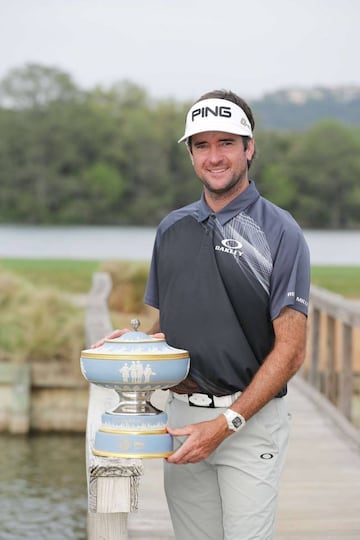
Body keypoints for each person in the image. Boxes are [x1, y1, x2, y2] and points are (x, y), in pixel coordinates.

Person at [94, 89, 310, 540]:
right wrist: (136, 347)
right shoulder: (172, 229)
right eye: (202, 144)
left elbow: (290, 351)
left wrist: (227, 423)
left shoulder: (280, 231)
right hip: (180, 420)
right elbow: (173, 326)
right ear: (191, 153)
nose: (214, 156)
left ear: (249, 148)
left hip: (248, 421)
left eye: (226, 142)